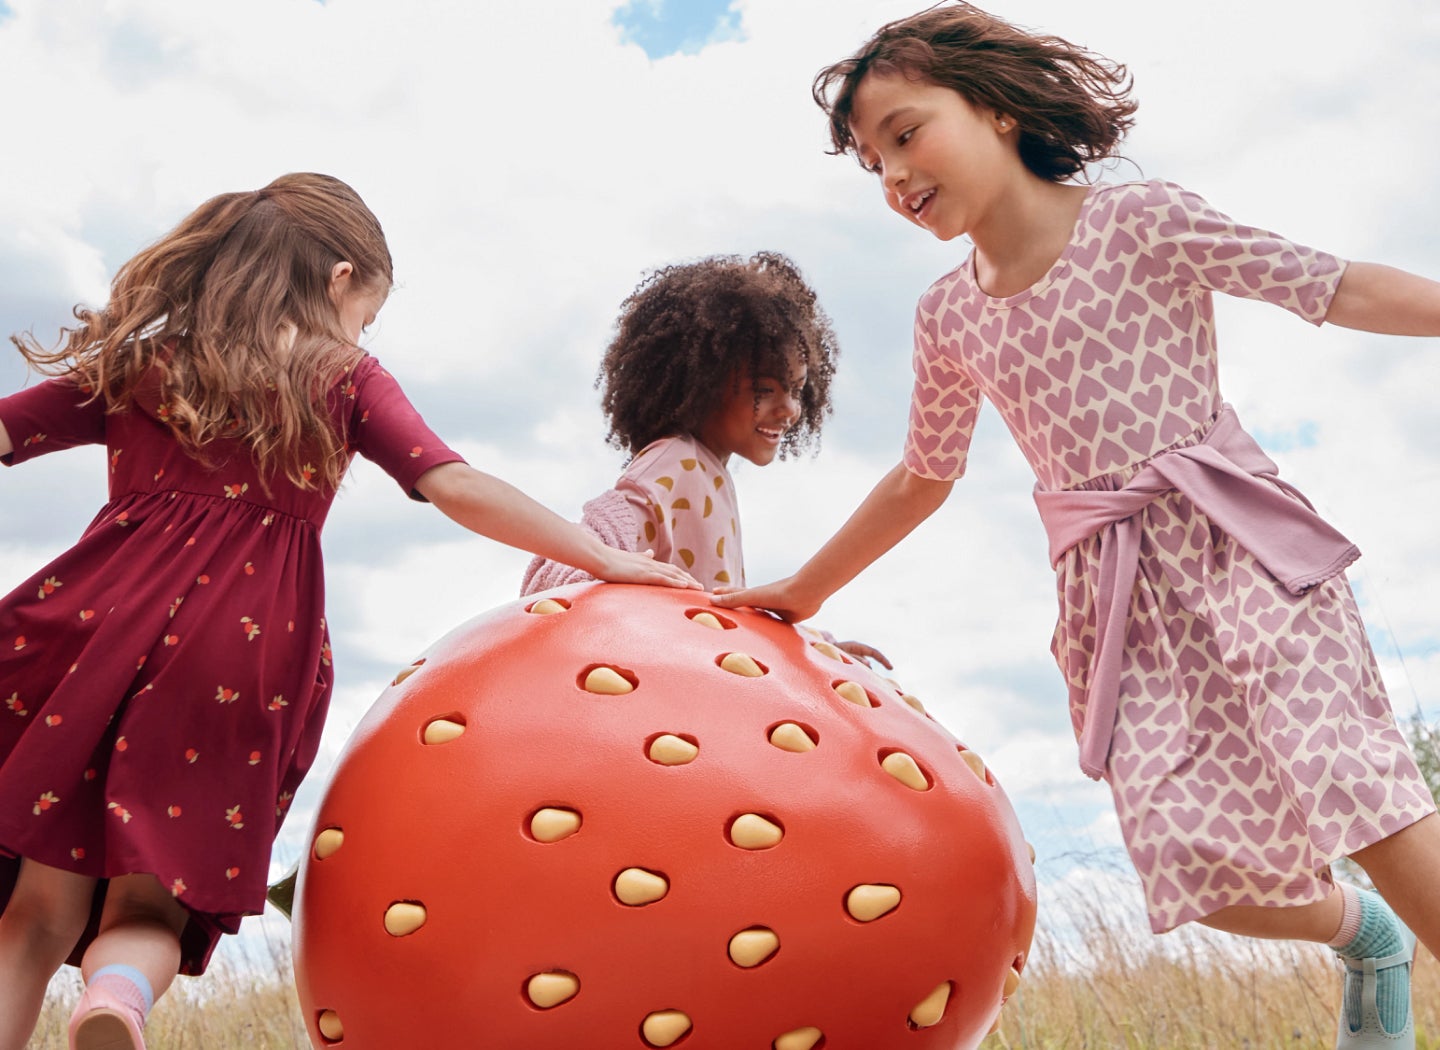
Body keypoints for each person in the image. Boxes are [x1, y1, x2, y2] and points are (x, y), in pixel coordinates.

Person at [711, 6, 1440, 1046]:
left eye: (907, 134)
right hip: (1118, 599)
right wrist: (806, 589)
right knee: (1194, 865)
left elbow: (1329, 284)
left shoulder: (1140, 221)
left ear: (998, 109)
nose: (895, 177)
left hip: (1241, 546)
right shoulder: (947, 317)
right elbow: (924, 476)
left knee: (1352, 780)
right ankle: (1364, 932)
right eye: (874, 162)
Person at [0, 172, 698, 1050]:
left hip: (93, 628)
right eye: (368, 310)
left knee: (34, 911)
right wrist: (599, 555)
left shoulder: (153, 363)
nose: (364, 330)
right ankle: (115, 997)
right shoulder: (343, 377)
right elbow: (453, 483)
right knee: (150, 902)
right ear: (338, 280)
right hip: (237, 653)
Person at [521, 251, 887, 667]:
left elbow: (717, 611)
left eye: (797, 388)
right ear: (702, 384)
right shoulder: (677, 463)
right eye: (763, 390)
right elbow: (563, 565)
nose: (789, 409)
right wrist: (595, 568)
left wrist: (809, 648)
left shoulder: (706, 472)